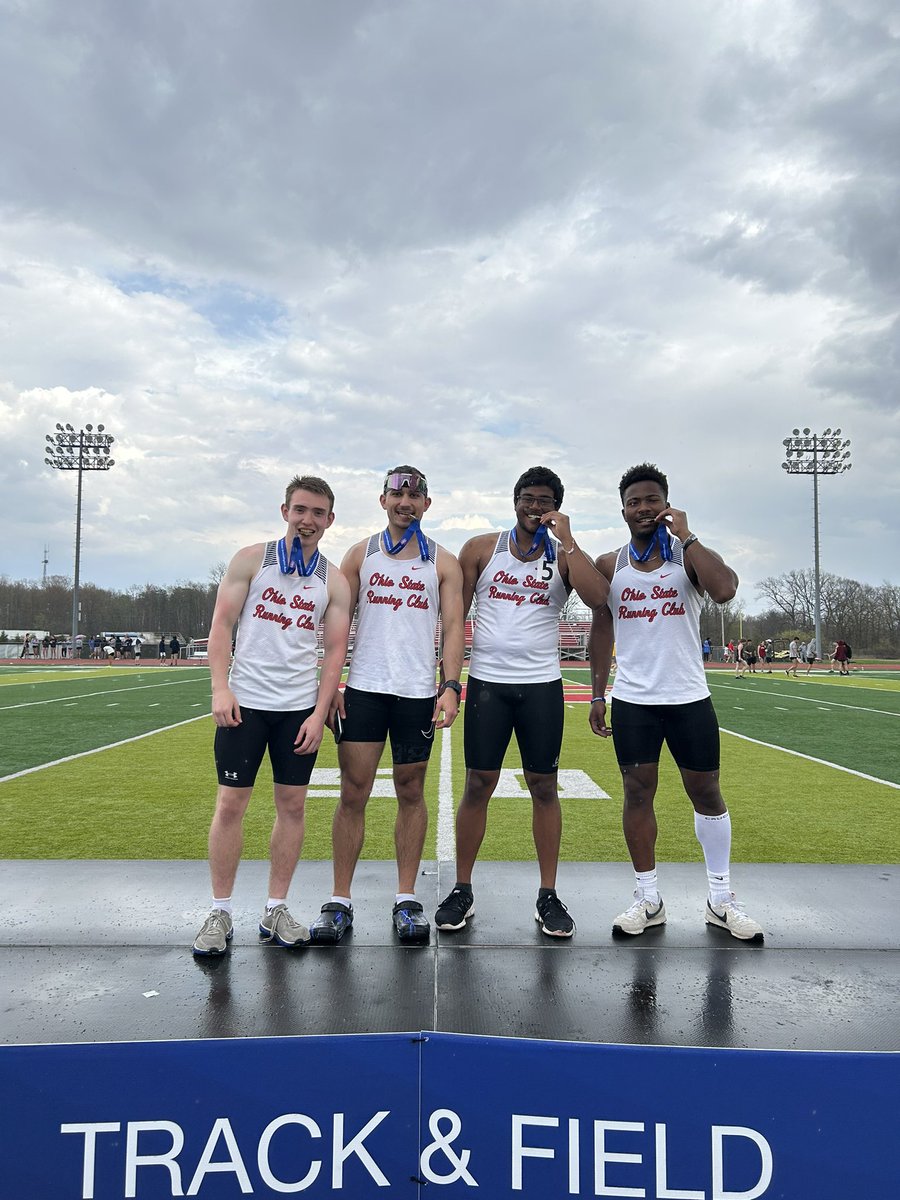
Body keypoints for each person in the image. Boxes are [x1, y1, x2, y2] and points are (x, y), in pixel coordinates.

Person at [588, 462, 764, 942]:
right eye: (633, 501)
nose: (643, 508)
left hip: (689, 697)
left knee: (705, 792)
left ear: (666, 504)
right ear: (622, 509)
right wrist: (598, 694)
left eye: (652, 500)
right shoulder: (610, 564)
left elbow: (726, 590)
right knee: (637, 792)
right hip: (634, 700)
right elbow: (601, 631)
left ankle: (721, 899)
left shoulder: (687, 557)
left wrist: (687, 537)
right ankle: (648, 899)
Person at [434, 467, 610, 938]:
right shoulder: (480, 549)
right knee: (478, 784)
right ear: (514, 501)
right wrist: (448, 681)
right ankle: (462, 888)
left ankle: (548, 894)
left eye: (545, 501)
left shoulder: (564, 553)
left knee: (544, 787)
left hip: (541, 688)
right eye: (528, 499)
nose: (535, 507)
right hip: (489, 685)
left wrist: (568, 540)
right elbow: (453, 617)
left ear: (557, 505)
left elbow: (600, 599)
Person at [192, 474, 351, 957]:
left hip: (297, 710)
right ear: (285, 511)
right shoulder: (250, 559)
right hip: (244, 705)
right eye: (300, 510)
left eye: (318, 513)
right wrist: (220, 688)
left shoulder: (334, 580)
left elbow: (335, 652)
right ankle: (220, 911)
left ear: (329, 520)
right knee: (230, 806)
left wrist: (319, 712)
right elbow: (221, 625)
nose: (308, 520)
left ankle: (275, 908)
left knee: (293, 807)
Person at [310, 466, 464, 945]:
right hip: (365, 689)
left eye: (415, 495)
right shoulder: (362, 554)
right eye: (398, 494)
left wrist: (451, 685)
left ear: (426, 504)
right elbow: (335, 622)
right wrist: (330, 685)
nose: (406, 502)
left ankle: (405, 899)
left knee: (410, 792)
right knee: (353, 792)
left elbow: (456, 626)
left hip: (417, 692)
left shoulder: (443, 561)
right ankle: (339, 900)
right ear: (383, 500)